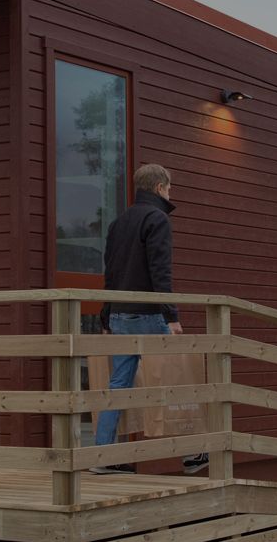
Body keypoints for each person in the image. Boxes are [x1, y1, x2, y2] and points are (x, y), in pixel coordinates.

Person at [89, 163, 208, 476]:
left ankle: (102, 455)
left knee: (118, 384)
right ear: (159, 188)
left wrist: (106, 315)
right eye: (169, 188)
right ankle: (192, 454)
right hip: (150, 313)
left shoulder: (118, 223)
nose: (170, 193)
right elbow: (160, 271)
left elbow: (111, 273)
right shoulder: (157, 219)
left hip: (119, 315)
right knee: (175, 377)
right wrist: (171, 315)